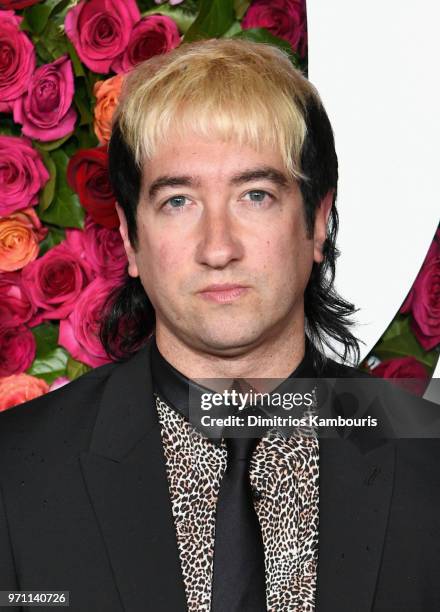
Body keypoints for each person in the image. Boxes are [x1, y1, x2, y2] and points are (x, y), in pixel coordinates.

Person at [1, 38, 440, 612]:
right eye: (178, 201)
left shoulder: (428, 465)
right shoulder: (16, 474)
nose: (218, 248)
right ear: (131, 241)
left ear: (318, 223)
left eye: (255, 196)